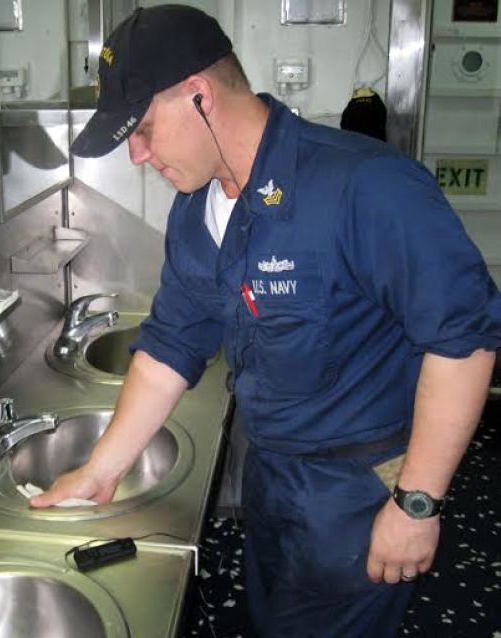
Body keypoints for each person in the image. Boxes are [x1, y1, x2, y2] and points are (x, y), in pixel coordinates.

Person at [30, 5, 501, 637]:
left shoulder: (365, 187)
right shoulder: (197, 212)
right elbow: (170, 345)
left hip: (363, 489)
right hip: (274, 474)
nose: (138, 156)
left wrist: (416, 504)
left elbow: (464, 341)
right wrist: (101, 468)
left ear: (199, 97)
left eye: (141, 129)